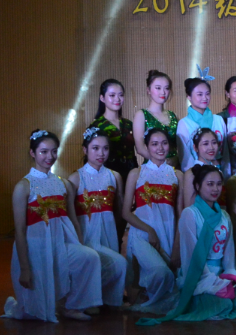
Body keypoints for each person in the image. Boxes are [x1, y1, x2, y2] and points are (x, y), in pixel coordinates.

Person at [4, 130, 102, 323]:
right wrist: (24, 268)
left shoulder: (63, 184)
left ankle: (72, 306)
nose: (50, 156)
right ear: (32, 153)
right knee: (34, 314)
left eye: (54, 151)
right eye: (43, 152)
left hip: (59, 246)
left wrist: (79, 243)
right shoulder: (23, 186)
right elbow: (20, 231)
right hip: (35, 251)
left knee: (89, 257)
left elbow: (72, 220)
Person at [140, 165, 236, 323]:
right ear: (198, 186)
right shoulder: (190, 213)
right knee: (223, 305)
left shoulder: (225, 216)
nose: (215, 189)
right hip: (199, 276)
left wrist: (230, 275)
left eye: (219, 184)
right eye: (210, 184)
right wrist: (213, 281)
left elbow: (229, 254)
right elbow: (192, 257)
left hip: (221, 275)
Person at [67, 127, 129, 310]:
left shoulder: (114, 176)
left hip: (108, 231)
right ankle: (86, 300)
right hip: (86, 233)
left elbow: (119, 209)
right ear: (85, 150)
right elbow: (69, 213)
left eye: (105, 148)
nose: (101, 153)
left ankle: (109, 299)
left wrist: (118, 232)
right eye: (95, 148)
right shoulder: (76, 178)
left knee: (115, 264)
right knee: (95, 264)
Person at [122, 128, 179, 314]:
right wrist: (149, 230)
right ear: (146, 147)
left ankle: (150, 299)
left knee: (172, 280)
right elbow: (126, 212)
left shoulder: (177, 175)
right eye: (154, 144)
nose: (160, 148)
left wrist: (178, 246)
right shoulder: (136, 173)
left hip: (168, 233)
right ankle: (145, 301)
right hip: (142, 234)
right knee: (160, 272)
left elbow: (180, 213)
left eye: (164, 143)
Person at [90, 79, 137, 239]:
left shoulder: (129, 124)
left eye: (120, 95)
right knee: (108, 220)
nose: (117, 99)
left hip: (129, 177)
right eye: (112, 95)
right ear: (102, 98)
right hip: (106, 178)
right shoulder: (96, 126)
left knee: (124, 218)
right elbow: (90, 157)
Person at [177, 77, 227, 175]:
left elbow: (225, 152)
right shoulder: (184, 123)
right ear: (189, 96)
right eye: (200, 94)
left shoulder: (218, 120)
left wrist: (226, 173)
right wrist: (193, 176)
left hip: (220, 172)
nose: (205, 98)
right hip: (196, 173)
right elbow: (185, 157)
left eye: (207, 94)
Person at [132, 70, 179, 169]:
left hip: (174, 168)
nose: (163, 92)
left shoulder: (173, 116)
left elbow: (179, 146)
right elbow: (140, 148)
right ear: (148, 90)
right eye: (158, 88)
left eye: (166, 88)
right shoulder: (141, 115)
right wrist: (161, 163)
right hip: (152, 168)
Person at [180, 129, 224, 211]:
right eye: (205, 144)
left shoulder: (218, 171)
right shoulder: (191, 173)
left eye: (214, 143)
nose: (211, 147)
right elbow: (189, 207)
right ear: (195, 148)